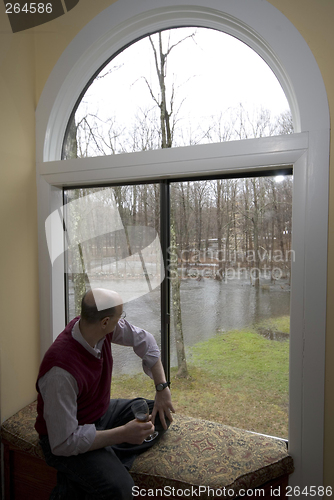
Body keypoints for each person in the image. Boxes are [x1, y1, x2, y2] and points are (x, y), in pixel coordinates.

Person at [35, 288, 175, 500]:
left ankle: (99, 461)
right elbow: (63, 442)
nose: (122, 321)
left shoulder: (98, 329)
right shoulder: (60, 372)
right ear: (105, 321)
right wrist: (122, 434)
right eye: (121, 316)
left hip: (99, 415)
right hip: (66, 436)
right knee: (122, 489)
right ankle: (83, 477)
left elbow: (145, 340)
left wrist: (162, 388)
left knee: (157, 417)